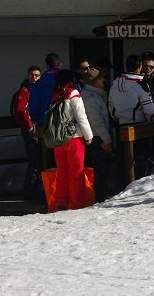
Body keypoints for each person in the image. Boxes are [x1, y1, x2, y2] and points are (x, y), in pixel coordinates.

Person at [50, 69, 93, 210]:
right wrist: (89, 136)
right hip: (74, 138)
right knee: (76, 173)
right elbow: (81, 117)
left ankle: (61, 202)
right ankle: (76, 204)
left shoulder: (55, 94)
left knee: (62, 172)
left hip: (58, 139)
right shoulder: (73, 93)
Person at [81, 67, 113, 202]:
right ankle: (99, 198)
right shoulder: (90, 96)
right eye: (101, 78)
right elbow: (96, 120)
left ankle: (100, 196)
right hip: (96, 138)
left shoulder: (97, 94)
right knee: (100, 170)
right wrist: (107, 140)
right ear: (94, 81)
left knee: (102, 170)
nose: (104, 80)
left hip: (97, 137)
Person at [11, 65, 42, 199]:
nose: (34, 78)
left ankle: (34, 188)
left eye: (36, 75)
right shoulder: (24, 91)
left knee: (38, 159)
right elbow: (20, 111)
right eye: (31, 75)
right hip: (30, 129)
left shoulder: (39, 89)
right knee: (34, 159)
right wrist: (30, 127)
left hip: (39, 128)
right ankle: (29, 190)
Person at [109, 55, 154, 124]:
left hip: (120, 125)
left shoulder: (114, 84)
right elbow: (149, 111)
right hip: (138, 126)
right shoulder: (141, 85)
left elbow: (110, 106)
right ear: (140, 67)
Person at [139, 52, 154, 120]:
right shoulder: (137, 82)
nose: (148, 69)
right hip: (142, 118)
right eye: (145, 66)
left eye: (151, 67)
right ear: (140, 66)